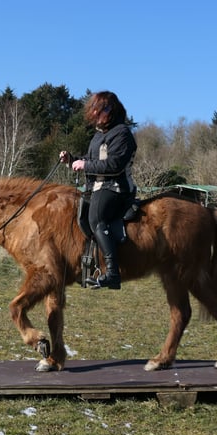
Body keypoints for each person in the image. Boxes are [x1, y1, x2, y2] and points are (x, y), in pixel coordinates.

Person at [59, 91, 137, 289]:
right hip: (97, 187)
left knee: (96, 217)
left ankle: (112, 273)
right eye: (93, 109)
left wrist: (84, 165)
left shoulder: (122, 133)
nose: (94, 113)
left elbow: (115, 165)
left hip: (116, 188)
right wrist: (72, 159)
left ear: (110, 110)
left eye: (98, 109)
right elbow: (91, 160)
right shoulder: (98, 136)